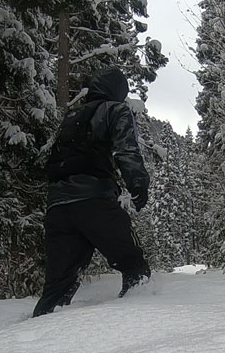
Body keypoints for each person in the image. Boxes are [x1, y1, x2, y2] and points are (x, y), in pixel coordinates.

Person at [32, 67, 151, 318]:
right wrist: (138, 183)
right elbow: (125, 149)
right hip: (95, 202)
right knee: (135, 268)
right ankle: (140, 328)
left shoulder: (72, 117)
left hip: (58, 208)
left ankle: (32, 343)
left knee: (57, 290)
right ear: (118, 91)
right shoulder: (115, 110)